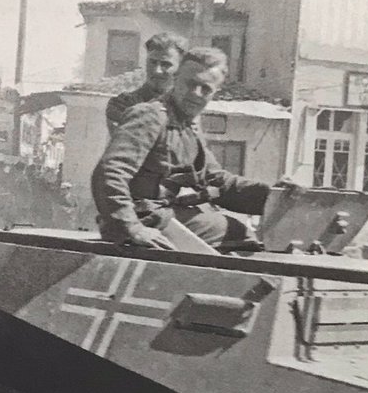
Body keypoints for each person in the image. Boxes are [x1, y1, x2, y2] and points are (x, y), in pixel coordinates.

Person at [92, 47, 279, 250]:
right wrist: (132, 227)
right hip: (143, 220)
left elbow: (217, 181)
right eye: (190, 84)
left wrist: (276, 196)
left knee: (238, 232)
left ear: (214, 93)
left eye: (205, 89)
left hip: (161, 217)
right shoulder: (151, 115)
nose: (196, 94)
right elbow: (109, 172)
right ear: (175, 79)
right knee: (237, 233)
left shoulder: (187, 126)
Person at [105, 32, 188, 134]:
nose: (157, 70)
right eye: (152, 62)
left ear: (181, 68)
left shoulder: (187, 107)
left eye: (166, 64)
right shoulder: (123, 104)